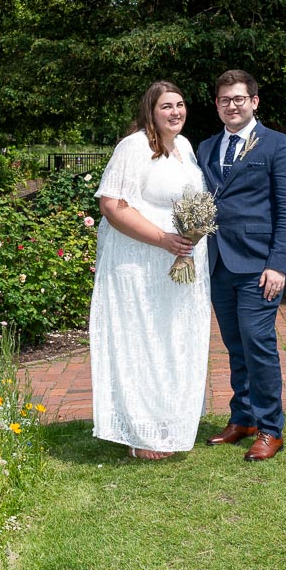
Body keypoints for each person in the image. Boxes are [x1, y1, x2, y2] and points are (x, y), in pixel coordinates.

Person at [89, 81, 212, 460]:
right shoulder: (134, 147)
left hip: (179, 264)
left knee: (172, 339)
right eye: (166, 107)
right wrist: (162, 239)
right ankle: (140, 433)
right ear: (150, 111)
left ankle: (166, 422)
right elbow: (112, 204)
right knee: (141, 339)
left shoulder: (185, 148)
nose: (175, 112)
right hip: (140, 262)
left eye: (180, 104)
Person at [196, 70, 286, 461]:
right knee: (235, 346)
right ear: (217, 105)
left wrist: (278, 265)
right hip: (218, 263)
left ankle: (271, 428)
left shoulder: (278, 145)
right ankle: (243, 418)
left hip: (259, 266)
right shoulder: (206, 147)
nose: (232, 105)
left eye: (239, 98)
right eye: (225, 100)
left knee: (258, 344)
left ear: (254, 102)